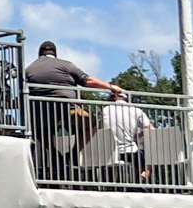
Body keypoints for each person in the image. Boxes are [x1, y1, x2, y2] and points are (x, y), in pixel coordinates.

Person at [26, 41, 123, 178]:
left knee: (41, 133)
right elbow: (87, 81)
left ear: (39, 54)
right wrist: (111, 87)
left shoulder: (29, 69)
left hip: (42, 113)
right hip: (67, 110)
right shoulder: (65, 65)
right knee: (91, 123)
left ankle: (55, 155)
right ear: (55, 53)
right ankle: (73, 154)